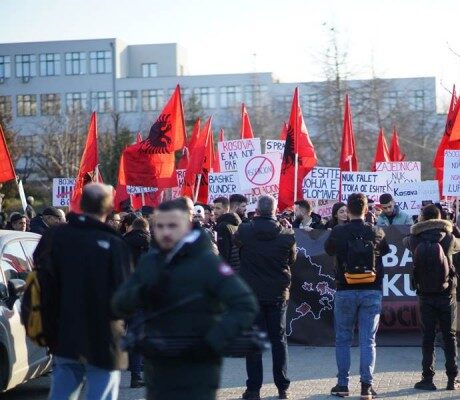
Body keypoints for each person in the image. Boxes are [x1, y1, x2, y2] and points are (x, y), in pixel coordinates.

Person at [112, 198, 258, 400]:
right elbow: (120, 303)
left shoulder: (207, 261)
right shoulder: (151, 261)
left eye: (171, 225)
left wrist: (215, 338)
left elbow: (245, 304)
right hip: (160, 366)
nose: (165, 231)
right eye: (160, 225)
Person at [33, 183, 132, 400]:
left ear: (80, 204)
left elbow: (40, 279)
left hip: (64, 333)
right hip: (104, 337)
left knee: (62, 390)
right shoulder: (115, 244)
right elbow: (126, 296)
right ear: (108, 209)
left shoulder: (55, 238)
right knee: (101, 393)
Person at [324, 193, 390, 399]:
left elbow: (328, 250)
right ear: (366, 209)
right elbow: (385, 251)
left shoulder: (338, 231)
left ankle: (343, 385)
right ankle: (366, 387)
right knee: (368, 340)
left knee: (343, 339)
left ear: (348, 209)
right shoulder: (376, 230)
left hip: (345, 288)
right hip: (371, 289)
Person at [235, 195, 296, 400]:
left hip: (251, 294)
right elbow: (292, 259)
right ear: (275, 210)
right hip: (278, 294)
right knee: (279, 341)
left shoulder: (244, 230)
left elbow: (238, 245)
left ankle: (253, 389)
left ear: (257, 210)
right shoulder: (287, 234)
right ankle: (282, 388)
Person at [403, 204, 460, 391]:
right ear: (440, 217)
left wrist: (416, 228)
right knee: (449, 336)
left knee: (428, 337)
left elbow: (404, 241)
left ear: (422, 219)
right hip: (447, 295)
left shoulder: (413, 240)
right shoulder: (450, 238)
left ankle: (427, 379)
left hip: (425, 295)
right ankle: (452, 379)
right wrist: (452, 226)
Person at [213, 196, 242, 271]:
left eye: (218, 208)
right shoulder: (236, 223)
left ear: (226, 209)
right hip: (236, 269)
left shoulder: (222, 226)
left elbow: (223, 253)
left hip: (228, 270)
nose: (215, 211)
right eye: (214, 208)